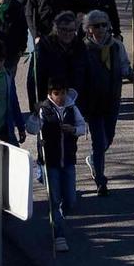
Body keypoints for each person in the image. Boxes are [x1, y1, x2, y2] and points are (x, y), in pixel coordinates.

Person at [78, 11, 134, 197]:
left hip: (112, 100)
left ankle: (94, 160)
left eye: (103, 25)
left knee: (108, 138)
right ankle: (100, 179)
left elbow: (124, 66)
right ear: (88, 29)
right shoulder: (83, 49)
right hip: (92, 103)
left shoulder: (116, 46)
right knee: (99, 141)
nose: (100, 29)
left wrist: (130, 74)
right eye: (96, 26)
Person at [35, 77, 89, 252]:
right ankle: (58, 234)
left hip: (68, 161)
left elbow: (83, 127)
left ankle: (61, 217)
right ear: (50, 94)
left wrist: (73, 130)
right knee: (54, 198)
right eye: (56, 93)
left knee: (70, 199)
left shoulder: (72, 108)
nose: (60, 97)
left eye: (63, 93)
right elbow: (32, 128)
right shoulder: (44, 110)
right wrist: (35, 116)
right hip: (51, 161)